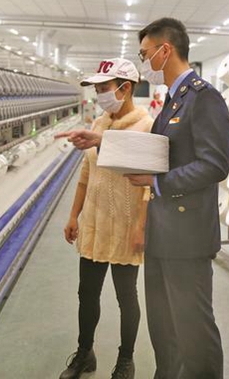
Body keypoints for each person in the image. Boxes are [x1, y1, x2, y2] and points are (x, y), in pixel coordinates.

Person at [57, 18, 229, 379]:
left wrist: (158, 183)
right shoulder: (172, 101)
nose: (144, 60)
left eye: (145, 53)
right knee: (164, 330)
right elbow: (154, 151)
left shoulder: (203, 97)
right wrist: (101, 140)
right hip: (163, 233)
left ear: (165, 50)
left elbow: (215, 165)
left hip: (187, 237)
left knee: (194, 331)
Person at [59, 58, 153, 379]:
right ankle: (85, 353)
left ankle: (126, 361)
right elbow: (86, 175)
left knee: (126, 297)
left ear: (125, 88)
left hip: (127, 226)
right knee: (87, 293)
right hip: (95, 225)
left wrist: (141, 227)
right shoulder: (99, 123)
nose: (100, 94)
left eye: (104, 87)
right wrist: (74, 215)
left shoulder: (146, 126)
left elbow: (149, 184)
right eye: (97, 88)